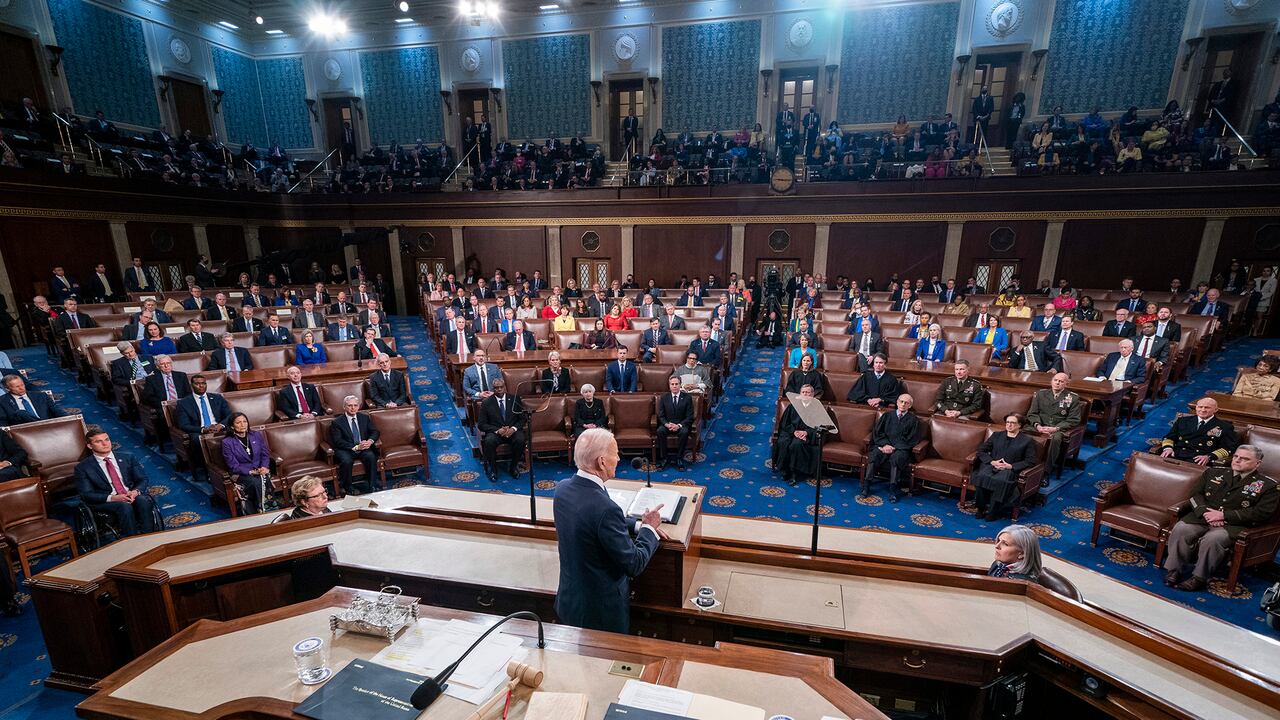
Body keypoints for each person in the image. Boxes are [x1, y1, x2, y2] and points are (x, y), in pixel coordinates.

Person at [553, 428, 662, 634]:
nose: (619, 458)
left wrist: (637, 525)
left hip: (570, 602)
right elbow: (634, 564)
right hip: (600, 616)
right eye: (616, 453)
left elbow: (592, 520)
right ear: (602, 462)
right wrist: (649, 529)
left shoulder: (562, 489)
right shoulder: (605, 508)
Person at [1162, 445, 1278, 591]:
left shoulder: (1268, 486)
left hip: (1232, 525)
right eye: (1236, 456)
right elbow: (1195, 495)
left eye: (1244, 459)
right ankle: (1174, 570)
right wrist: (1204, 512)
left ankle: (1199, 578)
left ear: (1257, 463)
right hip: (1203, 517)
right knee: (1181, 528)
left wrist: (1224, 515)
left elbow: (1261, 513)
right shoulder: (1213, 472)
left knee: (1212, 540)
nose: (1237, 460)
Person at [73, 427, 160, 537]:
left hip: (129, 494)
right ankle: (133, 540)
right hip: (107, 500)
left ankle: (150, 537)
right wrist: (113, 498)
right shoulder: (83, 468)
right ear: (90, 446)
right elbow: (86, 494)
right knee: (124, 506)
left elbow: (142, 479)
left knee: (143, 500)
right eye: (99, 441)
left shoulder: (127, 457)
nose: (105, 444)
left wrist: (135, 492)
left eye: (107, 439)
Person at [971, 414, 1038, 521]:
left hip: (1009, 470)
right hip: (992, 465)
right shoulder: (997, 435)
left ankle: (993, 511)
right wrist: (992, 462)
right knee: (981, 476)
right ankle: (980, 508)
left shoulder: (1026, 441)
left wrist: (1011, 466)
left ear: (1019, 425)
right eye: (1007, 422)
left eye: (1012, 423)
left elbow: (1030, 461)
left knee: (1001, 481)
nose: (1009, 425)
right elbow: (981, 451)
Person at [175, 374, 231, 481]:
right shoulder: (183, 403)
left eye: (203, 383)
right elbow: (184, 425)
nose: (201, 386)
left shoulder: (217, 398)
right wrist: (203, 429)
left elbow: (229, 415)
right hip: (200, 431)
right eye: (197, 384)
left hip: (219, 429)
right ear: (192, 385)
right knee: (197, 439)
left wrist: (220, 425)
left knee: (234, 434)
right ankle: (210, 472)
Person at [864, 393, 918, 500]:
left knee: (897, 458)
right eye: (901, 401)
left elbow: (912, 439)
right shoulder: (887, 415)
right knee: (874, 455)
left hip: (900, 449)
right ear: (897, 402)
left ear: (910, 406)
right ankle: (866, 486)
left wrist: (894, 447)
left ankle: (892, 489)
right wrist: (885, 445)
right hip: (883, 445)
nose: (903, 404)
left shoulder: (913, 420)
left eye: (906, 403)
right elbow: (878, 432)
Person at [1026, 372, 1083, 471]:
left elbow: (1074, 419)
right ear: (1051, 381)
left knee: (1055, 439)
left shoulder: (1073, 398)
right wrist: (1038, 425)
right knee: (1024, 432)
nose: (1057, 383)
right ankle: (1025, 464)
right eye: (1055, 380)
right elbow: (1032, 413)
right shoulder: (1041, 394)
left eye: (1061, 381)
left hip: (1057, 429)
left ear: (1066, 384)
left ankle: (1046, 471)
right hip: (1040, 426)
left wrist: (1056, 428)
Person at [220, 412, 274, 514]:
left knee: (263, 477)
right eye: (238, 422)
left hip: (259, 469)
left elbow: (265, 454)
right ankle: (259, 509)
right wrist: (250, 472)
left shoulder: (256, 435)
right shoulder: (227, 442)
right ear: (232, 426)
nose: (243, 425)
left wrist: (264, 467)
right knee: (255, 482)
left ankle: (267, 507)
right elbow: (233, 466)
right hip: (241, 473)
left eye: (245, 421)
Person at [1158, 397, 1237, 466]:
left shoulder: (1225, 427)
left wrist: (1209, 457)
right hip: (1176, 454)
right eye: (1200, 407)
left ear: (1216, 410)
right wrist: (1168, 448)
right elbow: (1169, 437)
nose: (1202, 410)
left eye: (1207, 407)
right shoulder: (1183, 420)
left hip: (1199, 460)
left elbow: (1228, 448)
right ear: (1196, 408)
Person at [329, 395, 381, 494]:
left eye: (355, 405)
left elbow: (375, 432)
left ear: (358, 406)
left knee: (370, 456)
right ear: (344, 407)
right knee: (347, 461)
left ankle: (372, 485)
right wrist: (356, 447)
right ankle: (347, 487)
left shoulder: (364, 418)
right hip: (346, 449)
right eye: (350, 405)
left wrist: (370, 441)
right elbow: (338, 441)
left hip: (363, 447)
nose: (353, 408)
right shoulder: (337, 422)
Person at [774, 384, 822, 487]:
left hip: (806, 435)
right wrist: (794, 432)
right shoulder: (793, 406)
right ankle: (784, 470)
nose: (805, 394)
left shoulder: (817, 408)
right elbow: (784, 423)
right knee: (783, 442)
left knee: (795, 445)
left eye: (808, 392)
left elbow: (820, 425)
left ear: (812, 394)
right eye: (803, 392)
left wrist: (807, 433)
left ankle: (793, 473)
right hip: (791, 432)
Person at [478, 378, 526, 481]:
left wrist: (513, 429)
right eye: (496, 388)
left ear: (505, 387)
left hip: (512, 432)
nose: (499, 389)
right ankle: (494, 469)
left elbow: (522, 419)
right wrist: (497, 430)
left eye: (501, 387)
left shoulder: (514, 399)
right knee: (489, 441)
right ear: (493, 389)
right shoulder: (486, 402)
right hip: (496, 433)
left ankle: (513, 467)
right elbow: (481, 425)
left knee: (521, 439)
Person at [656, 376, 694, 470]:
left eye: (676, 384)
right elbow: (661, 415)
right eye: (672, 384)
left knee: (684, 432)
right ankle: (664, 458)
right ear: (669, 386)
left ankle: (679, 458)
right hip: (668, 425)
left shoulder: (687, 398)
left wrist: (679, 425)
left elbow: (690, 416)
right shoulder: (664, 398)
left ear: (680, 385)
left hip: (681, 425)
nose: (674, 386)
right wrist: (666, 424)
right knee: (660, 430)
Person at [0, 375, 66, 423]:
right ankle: (40, 423)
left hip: (48, 427)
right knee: (21, 413)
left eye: (22, 385)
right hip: (23, 431)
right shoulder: (2, 401)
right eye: (17, 387)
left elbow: (57, 411)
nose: (21, 388)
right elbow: (3, 422)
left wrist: (72, 420)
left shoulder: (41, 396)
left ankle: (41, 424)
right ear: (7, 389)